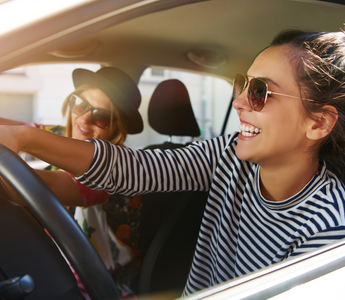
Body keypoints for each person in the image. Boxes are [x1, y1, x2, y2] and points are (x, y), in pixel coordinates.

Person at [1, 29, 345, 297]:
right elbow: (136, 170)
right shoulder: (228, 155)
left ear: (317, 123)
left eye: (259, 91)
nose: (238, 102)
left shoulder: (329, 227)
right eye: (241, 84)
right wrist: (25, 137)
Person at [0, 66, 144, 298]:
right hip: (57, 272)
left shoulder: (115, 169)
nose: (84, 120)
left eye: (101, 116)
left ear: (117, 128)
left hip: (99, 289)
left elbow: (28, 189)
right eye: (80, 104)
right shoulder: (64, 137)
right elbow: (13, 129)